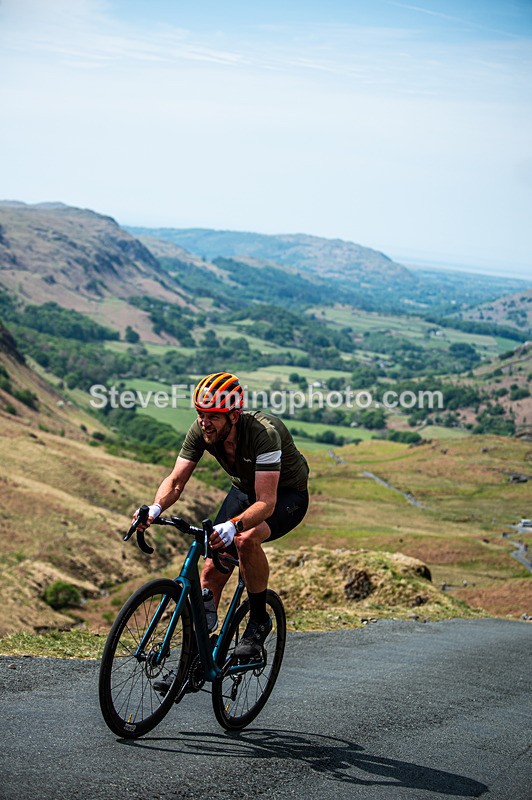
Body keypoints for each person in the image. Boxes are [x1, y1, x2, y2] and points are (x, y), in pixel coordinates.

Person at [134, 371, 309, 672]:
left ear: (235, 415)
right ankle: (197, 658)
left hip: (285, 496)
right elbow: (176, 481)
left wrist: (232, 526)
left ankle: (258, 622)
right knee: (212, 563)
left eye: (212, 416)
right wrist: (155, 507)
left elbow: (266, 503)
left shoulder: (264, 434)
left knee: (244, 540)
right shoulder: (202, 430)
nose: (204, 422)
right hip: (244, 490)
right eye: (200, 414)